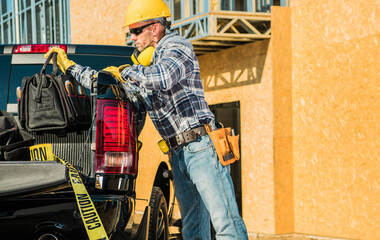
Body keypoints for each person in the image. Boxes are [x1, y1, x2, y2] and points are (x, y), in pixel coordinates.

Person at [45, 0, 248, 239]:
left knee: (226, 224)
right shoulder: (145, 70)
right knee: (193, 229)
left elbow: (163, 77)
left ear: (155, 28)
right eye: (130, 32)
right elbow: (105, 83)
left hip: (201, 146)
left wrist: (126, 71)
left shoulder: (177, 46)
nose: (132, 37)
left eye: (135, 30)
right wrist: (70, 68)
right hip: (178, 153)